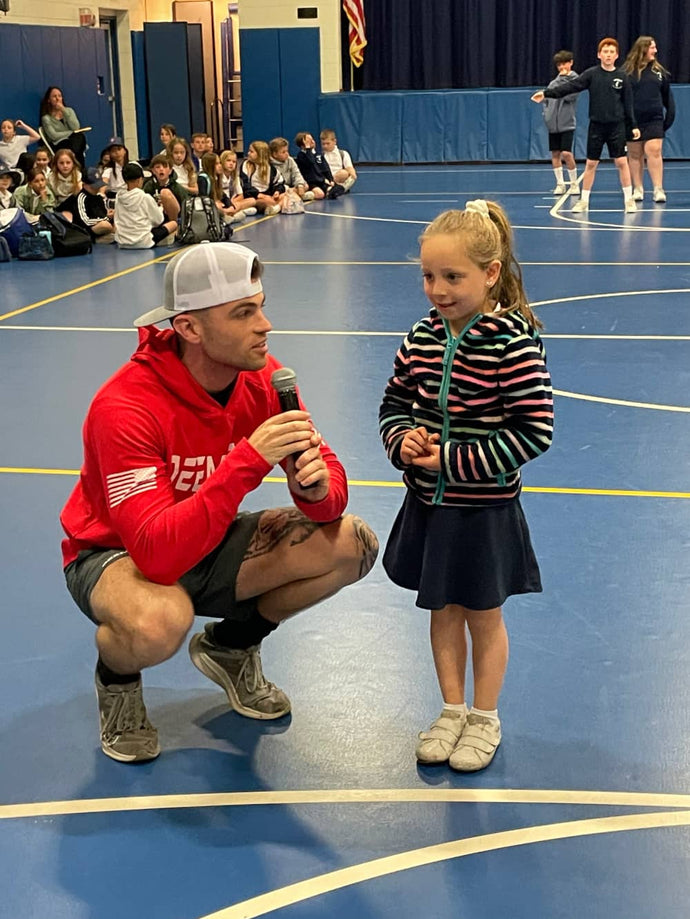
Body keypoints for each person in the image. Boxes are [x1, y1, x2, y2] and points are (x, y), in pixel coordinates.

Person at [60, 242, 379, 762]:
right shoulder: (126, 406)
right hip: (117, 554)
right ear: (189, 327)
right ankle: (117, 682)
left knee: (351, 544)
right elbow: (156, 556)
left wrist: (318, 491)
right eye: (243, 313)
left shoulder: (264, 379)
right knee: (159, 619)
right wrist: (247, 461)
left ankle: (231, 647)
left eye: (261, 306)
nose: (265, 326)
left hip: (206, 535)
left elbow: (329, 485)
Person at [379, 201, 553, 771]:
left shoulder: (511, 343)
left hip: (483, 509)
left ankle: (484, 716)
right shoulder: (421, 336)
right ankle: (451, 709)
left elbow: (534, 431)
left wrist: (452, 460)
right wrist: (403, 440)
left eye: (453, 277)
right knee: (443, 609)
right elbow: (394, 402)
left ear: (490, 273)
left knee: (483, 613)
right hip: (429, 506)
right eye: (429, 276)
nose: (438, 290)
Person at [531, 37, 640, 214]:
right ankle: (584, 200)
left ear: (617, 55)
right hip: (596, 126)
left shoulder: (622, 77)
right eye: (605, 52)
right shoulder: (592, 74)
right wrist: (546, 93)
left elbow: (628, 104)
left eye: (612, 52)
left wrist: (633, 125)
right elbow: (571, 87)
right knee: (591, 164)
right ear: (599, 55)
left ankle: (629, 200)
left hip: (617, 127)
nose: (608, 55)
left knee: (621, 161)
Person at [623, 36, 675, 203]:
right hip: (633, 121)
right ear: (643, 49)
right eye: (652, 47)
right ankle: (638, 188)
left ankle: (658, 189)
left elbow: (668, 99)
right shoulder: (627, 72)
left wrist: (667, 120)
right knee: (635, 154)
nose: (655, 50)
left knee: (654, 151)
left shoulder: (659, 73)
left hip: (654, 120)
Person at [536, 51, 580, 195]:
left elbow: (569, 96)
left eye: (564, 64)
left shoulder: (575, 81)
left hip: (567, 124)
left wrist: (563, 81)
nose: (562, 67)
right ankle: (560, 184)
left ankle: (574, 183)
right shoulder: (553, 83)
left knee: (566, 153)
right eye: (559, 65)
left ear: (571, 63)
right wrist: (547, 114)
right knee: (555, 154)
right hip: (552, 125)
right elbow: (547, 100)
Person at [113, 161, 177, 249]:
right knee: (173, 224)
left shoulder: (119, 196)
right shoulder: (145, 197)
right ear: (139, 180)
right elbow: (158, 220)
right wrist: (160, 208)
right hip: (143, 242)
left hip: (122, 243)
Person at [57, 166, 114, 243]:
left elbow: (102, 213)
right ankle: (94, 239)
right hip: (85, 229)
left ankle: (107, 236)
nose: (96, 189)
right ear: (84, 185)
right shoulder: (81, 197)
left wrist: (109, 215)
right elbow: (85, 221)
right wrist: (105, 219)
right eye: (93, 187)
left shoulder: (98, 196)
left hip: (99, 223)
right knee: (105, 225)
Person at [39, 86, 87, 169]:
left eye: (59, 96)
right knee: (75, 146)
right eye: (54, 96)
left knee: (80, 136)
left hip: (74, 142)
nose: (58, 99)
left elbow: (76, 127)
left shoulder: (69, 111)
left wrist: (63, 110)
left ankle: (75, 162)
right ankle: (80, 170)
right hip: (59, 144)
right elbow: (54, 136)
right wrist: (71, 133)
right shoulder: (46, 118)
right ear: (49, 100)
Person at [240, 141, 286, 215]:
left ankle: (276, 208)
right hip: (254, 196)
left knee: (286, 195)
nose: (248, 153)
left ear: (260, 154)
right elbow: (245, 185)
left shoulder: (271, 168)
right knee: (260, 202)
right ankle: (276, 206)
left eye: (251, 151)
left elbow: (279, 183)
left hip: (268, 195)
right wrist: (259, 195)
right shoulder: (246, 165)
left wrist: (277, 192)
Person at [143, 153, 189, 224]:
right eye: (158, 167)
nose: (161, 169)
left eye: (165, 167)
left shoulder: (177, 187)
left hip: (174, 221)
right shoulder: (149, 186)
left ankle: (174, 226)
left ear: (170, 170)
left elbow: (186, 207)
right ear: (153, 171)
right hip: (154, 221)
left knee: (165, 193)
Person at [0, 118, 41, 185]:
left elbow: (37, 137)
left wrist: (23, 126)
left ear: (14, 132)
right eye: (3, 128)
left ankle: (28, 180)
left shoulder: (20, 139)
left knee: (27, 156)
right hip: (11, 172)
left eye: (9, 128)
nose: (6, 129)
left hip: (23, 169)